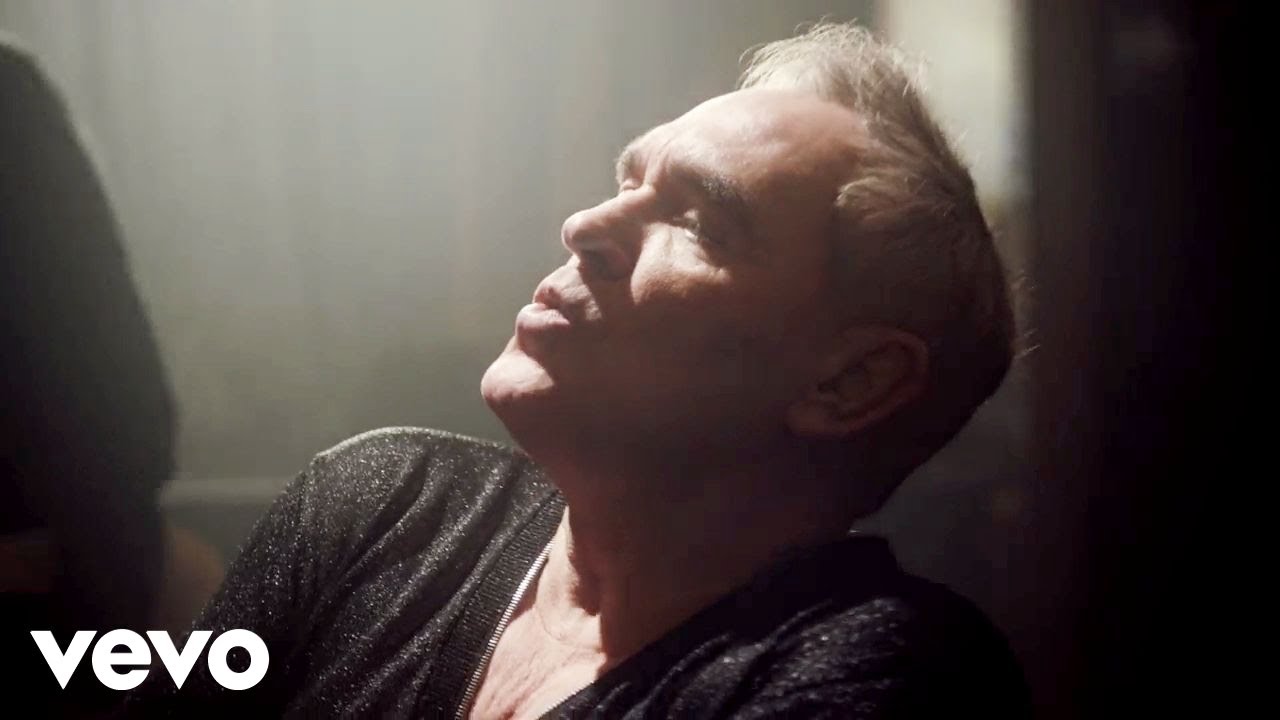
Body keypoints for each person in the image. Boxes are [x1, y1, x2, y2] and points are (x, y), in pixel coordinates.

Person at [123, 21, 1028, 718]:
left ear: (849, 381)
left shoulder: (891, 674)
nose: (586, 227)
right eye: (628, 181)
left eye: (700, 221)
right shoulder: (381, 506)